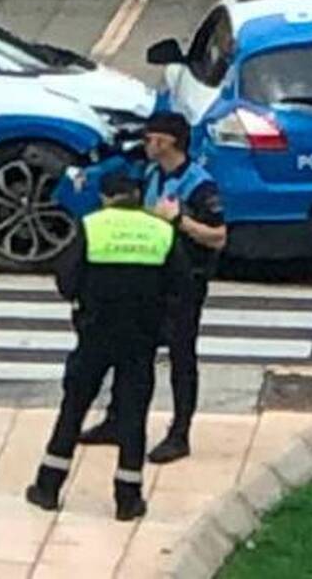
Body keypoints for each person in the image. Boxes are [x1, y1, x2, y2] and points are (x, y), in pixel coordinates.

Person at [26, 171, 189, 521]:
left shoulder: (92, 226)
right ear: (137, 196)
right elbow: (181, 285)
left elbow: (67, 281)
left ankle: (48, 487)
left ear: (105, 197)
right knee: (133, 416)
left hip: (95, 333)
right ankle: (127, 499)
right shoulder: (161, 231)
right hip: (141, 337)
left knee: (74, 408)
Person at [78, 113, 227, 464]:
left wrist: (180, 222)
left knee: (180, 355)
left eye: (151, 138)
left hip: (184, 279)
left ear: (167, 141)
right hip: (149, 276)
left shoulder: (199, 184)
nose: (146, 144)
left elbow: (219, 237)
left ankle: (180, 433)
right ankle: (117, 419)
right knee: (129, 345)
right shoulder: (150, 174)